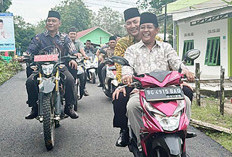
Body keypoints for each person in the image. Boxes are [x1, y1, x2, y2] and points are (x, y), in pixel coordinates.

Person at [114, 12, 195, 154]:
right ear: (140, 30)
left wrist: (186, 71)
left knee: (186, 101)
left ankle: (182, 131)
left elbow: (177, 63)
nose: (146, 30)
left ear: (156, 30)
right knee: (132, 106)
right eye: (143, 27)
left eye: (149, 27)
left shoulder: (166, 47)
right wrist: (127, 76)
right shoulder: (131, 50)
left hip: (168, 90)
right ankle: (140, 140)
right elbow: (127, 66)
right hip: (142, 91)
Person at [25, 11, 79, 119]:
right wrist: (25, 56)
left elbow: (72, 50)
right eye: (48, 20)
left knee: (70, 80)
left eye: (53, 21)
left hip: (60, 66)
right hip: (40, 67)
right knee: (30, 81)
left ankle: (69, 107)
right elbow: (30, 50)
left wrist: (74, 56)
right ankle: (34, 107)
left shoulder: (65, 37)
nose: (50, 23)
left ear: (59, 23)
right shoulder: (38, 37)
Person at [68, 27, 89, 96]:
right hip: (68, 62)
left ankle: (83, 88)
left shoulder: (79, 42)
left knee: (84, 73)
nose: (72, 35)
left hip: (79, 62)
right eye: (71, 34)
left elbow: (81, 49)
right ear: (68, 35)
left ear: (76, 35)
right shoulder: (66, 42)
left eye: (74, 34)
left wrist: (85, 55)